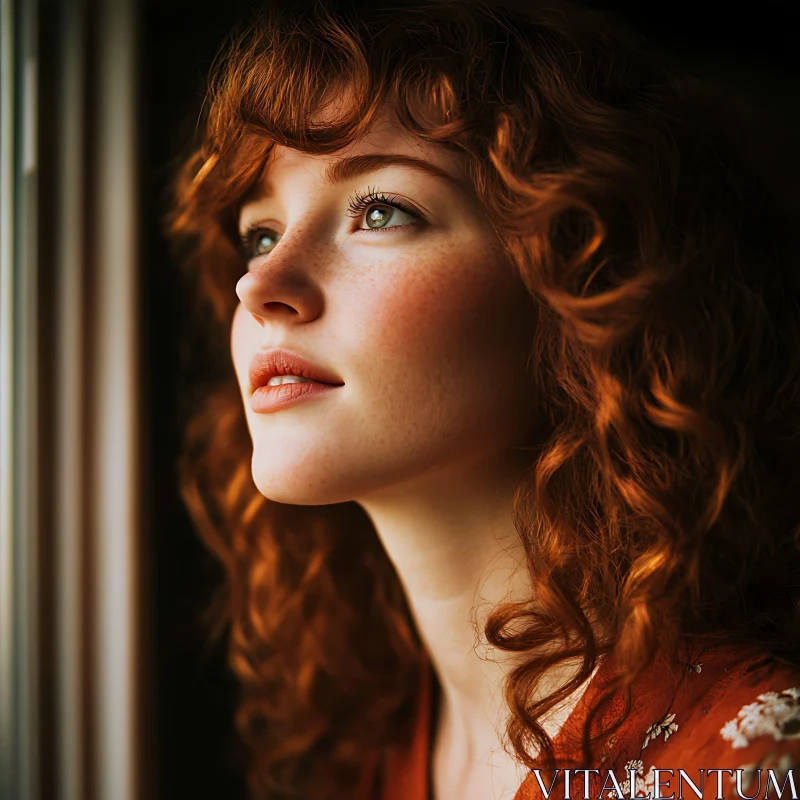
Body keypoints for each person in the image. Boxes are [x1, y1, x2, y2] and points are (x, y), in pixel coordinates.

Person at [167, 1, 800, 798]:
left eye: (380, 210)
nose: (259, 283)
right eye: (260, 232)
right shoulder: (374, 754)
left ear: (582, 289)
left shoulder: (754, 760)